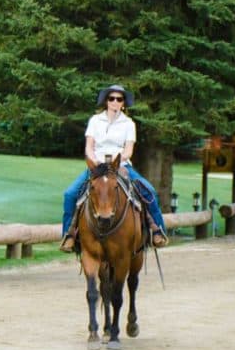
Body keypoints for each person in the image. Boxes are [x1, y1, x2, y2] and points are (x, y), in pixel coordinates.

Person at [59, 84, 169, 253]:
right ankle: (69, 235)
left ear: (123, 103)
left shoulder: (129, 124)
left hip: (121, 166)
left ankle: (157, 231)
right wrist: (94, 160)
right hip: (97, 166)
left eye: (119, 99)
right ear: (106, 101)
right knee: (70, 194)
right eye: (112, 98)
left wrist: (117, 162)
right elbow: (89, 146)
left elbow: (128, 150)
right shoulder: (95, 121)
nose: (115, 102)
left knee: (149, 191)